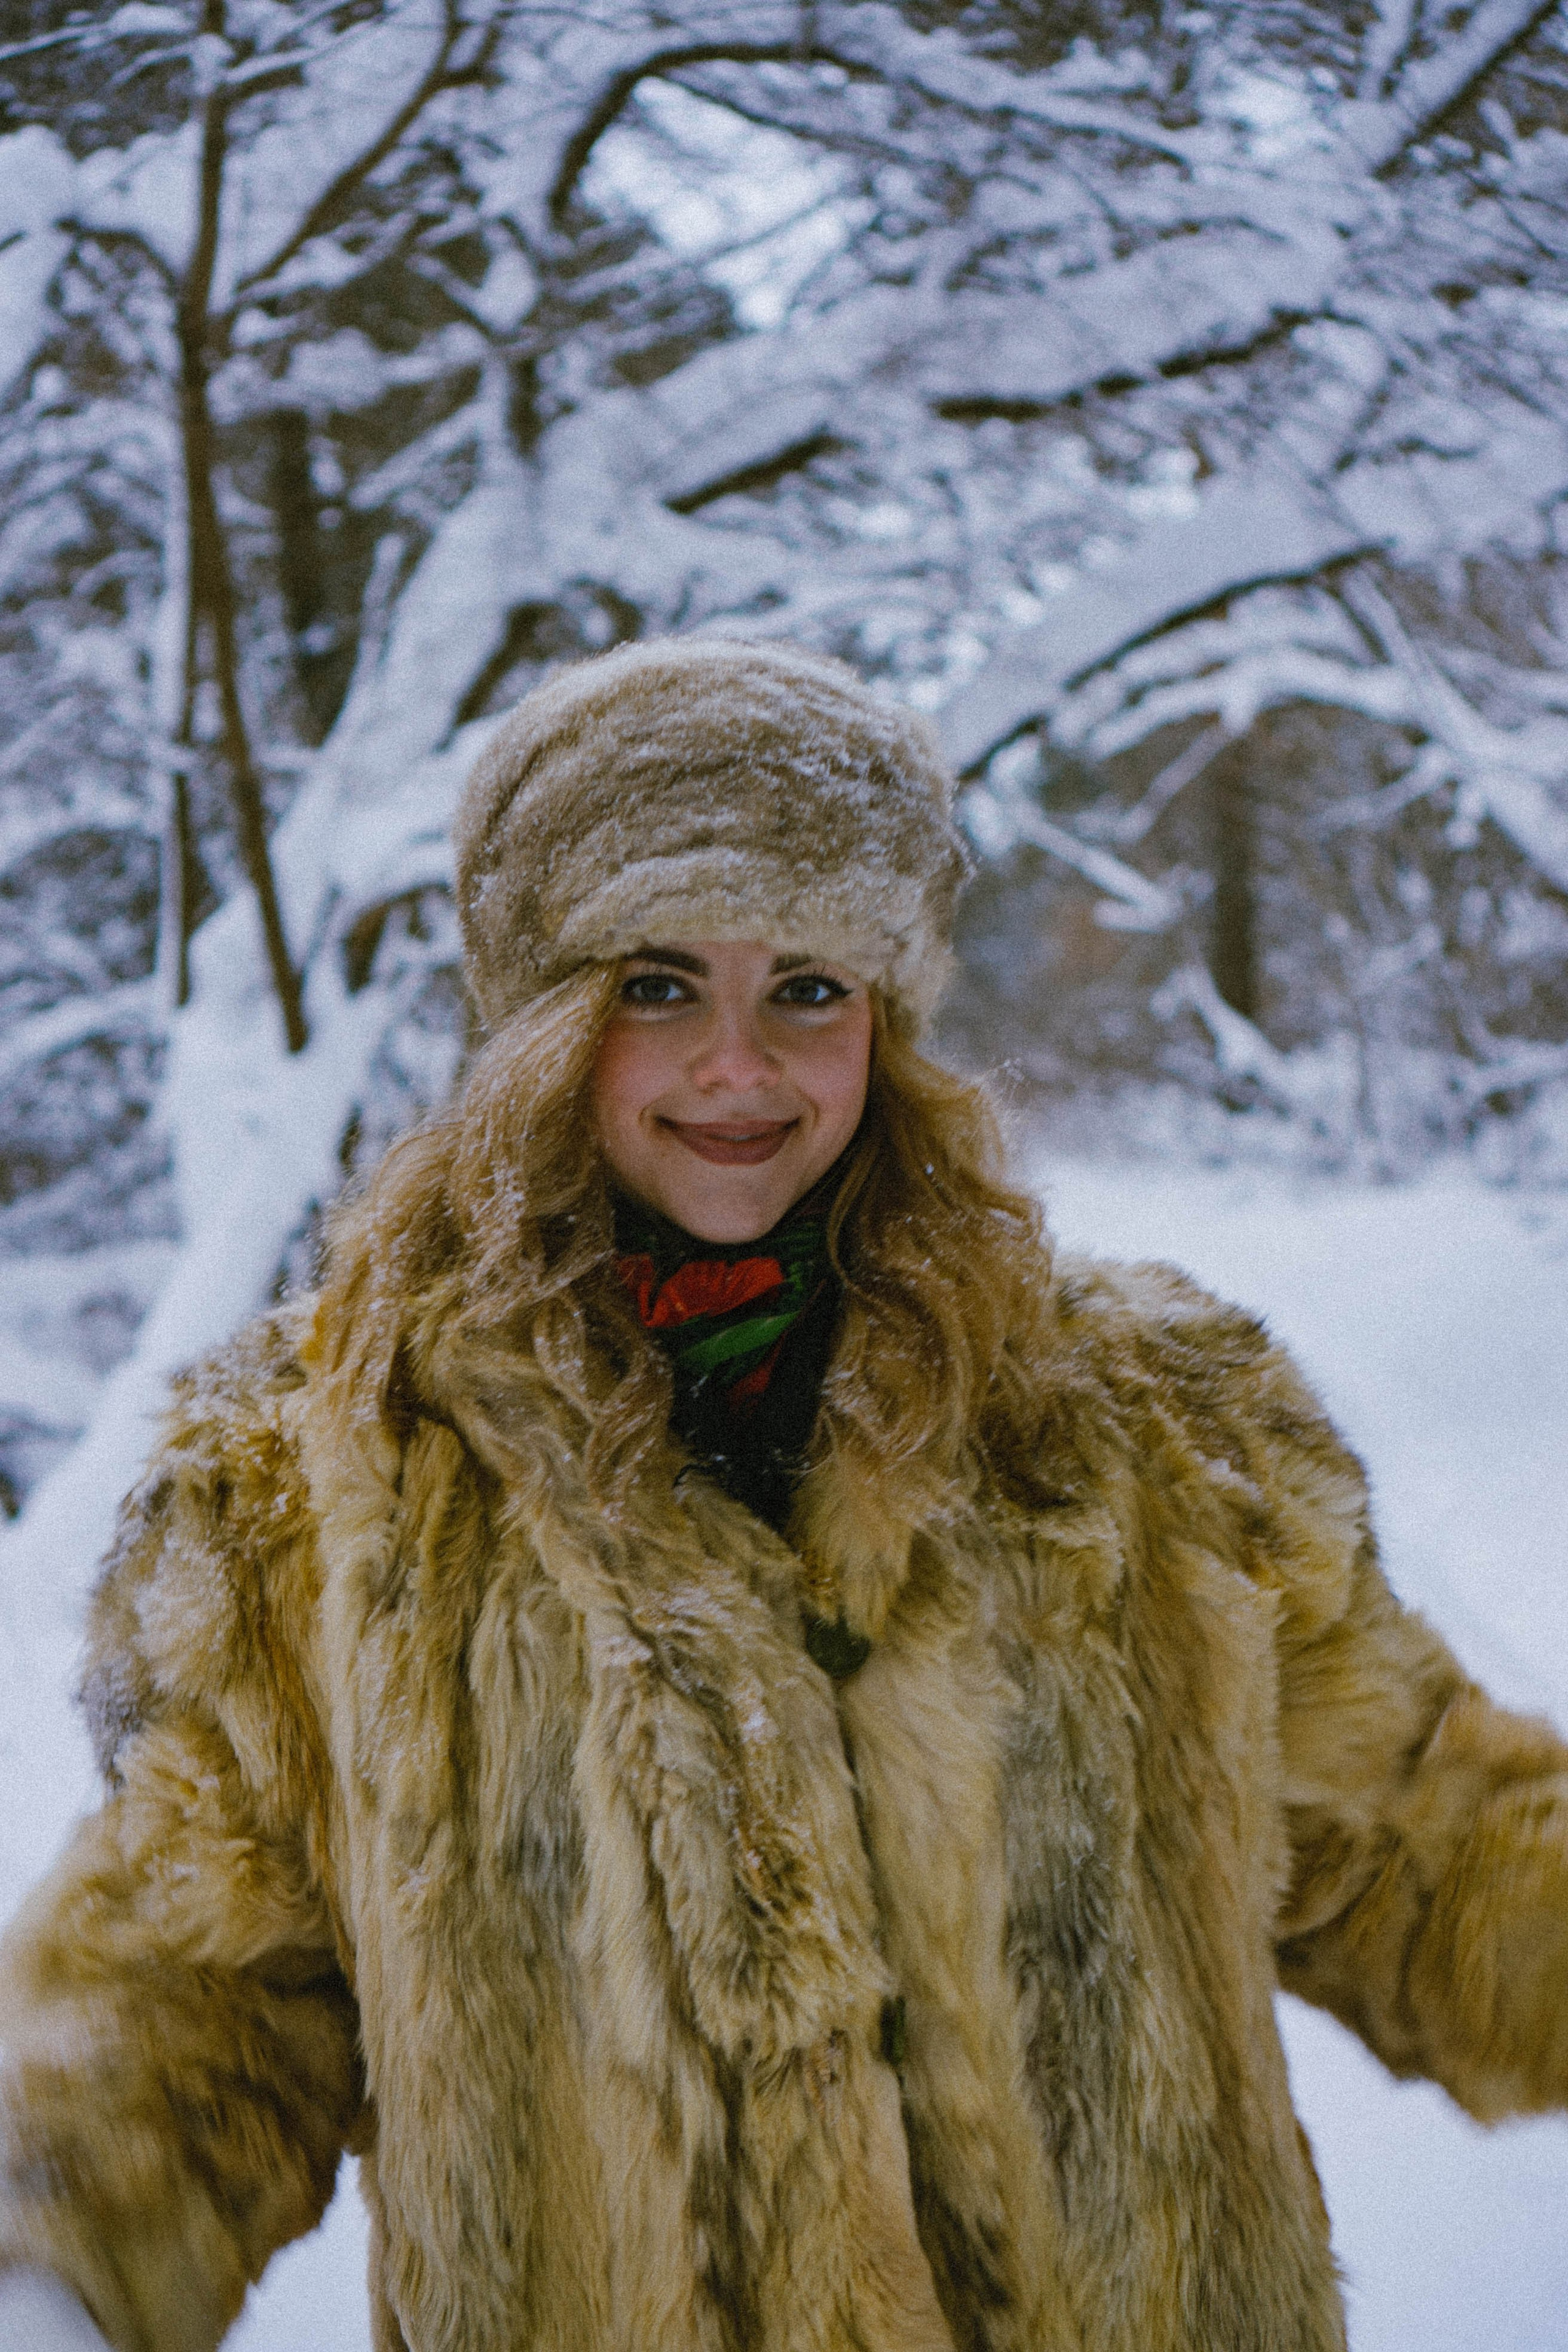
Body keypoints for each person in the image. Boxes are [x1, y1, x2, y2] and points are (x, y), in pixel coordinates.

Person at [1, 638, 1566, 2352]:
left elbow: (1429, 1848)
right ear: (539, 1017)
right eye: (657, 985)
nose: (740, 1072)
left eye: (808, 986)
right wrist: (49, 2266)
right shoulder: (318, 1493)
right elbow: (188, 1994)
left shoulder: (1151, 1435)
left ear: (885, 1015)